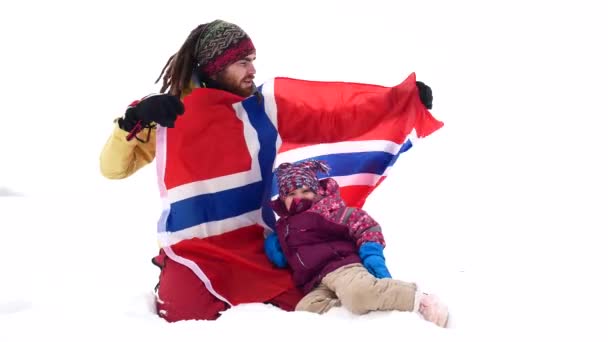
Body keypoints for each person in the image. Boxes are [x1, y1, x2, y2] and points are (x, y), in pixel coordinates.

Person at [99, 19, 436, 323]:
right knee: (183, 321)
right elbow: (112, 168)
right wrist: (131, 122)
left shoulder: (261, 109)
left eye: (252, 61)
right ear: (214, 68)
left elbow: (335, 116)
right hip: (192, 254)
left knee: (311, 311)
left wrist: (397, 101)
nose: (251, 70)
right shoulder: (166, 115)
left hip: (255, 249)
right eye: (242, 62)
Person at [264, 160, 449, 327]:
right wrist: (272, 242)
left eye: (305, 191)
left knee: (358, 294)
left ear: (316, 192)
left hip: (343, 267)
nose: (299, 198)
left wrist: (372, 255)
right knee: (306, 311)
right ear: (282, 198)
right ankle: (359, 318)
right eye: (291, 194)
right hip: (315, 282)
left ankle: (417, 299)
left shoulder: (327, 211)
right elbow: (282, 260)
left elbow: (366, 226)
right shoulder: (284, 228)